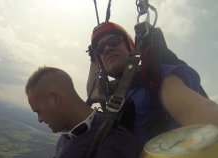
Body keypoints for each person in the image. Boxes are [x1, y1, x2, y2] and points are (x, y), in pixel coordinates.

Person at [86, 21, 218, 150]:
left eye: (114, 41)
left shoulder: (157, 77)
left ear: (130, 48)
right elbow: (92, 93)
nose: (107, 49)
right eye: (100, 48)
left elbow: (199, 112)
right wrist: (94, 58)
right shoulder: (112, 94)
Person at [25, 66, 139, 158]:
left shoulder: (112, 144)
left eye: (38, 111)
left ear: (55, 99)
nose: (39, 119)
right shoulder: (68, 137)